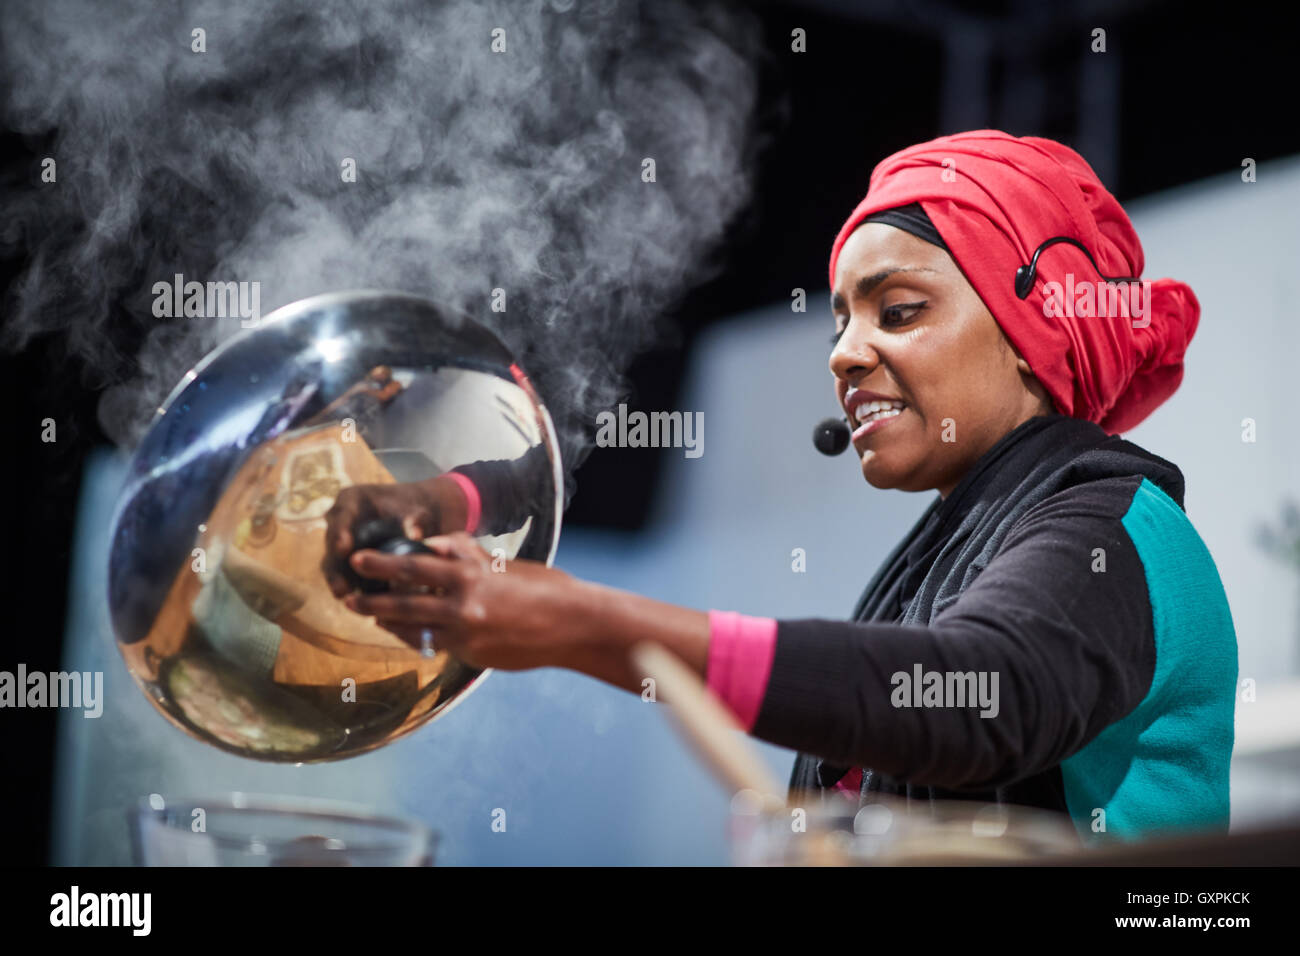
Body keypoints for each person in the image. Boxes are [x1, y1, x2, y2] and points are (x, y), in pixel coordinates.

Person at [325, 130, 1237, 845]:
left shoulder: (1114, 527)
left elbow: (971, 695)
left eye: (900, 310)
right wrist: (457, 500)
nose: (842, 353)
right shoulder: (973, 533)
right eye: (841, 320)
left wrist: (586, 625)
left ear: (1035, 325)